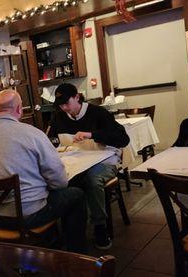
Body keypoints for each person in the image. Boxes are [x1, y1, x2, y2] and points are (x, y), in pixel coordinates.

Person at [0, 89, 88, 254]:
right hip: (27, 216)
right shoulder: (33, 134)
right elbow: (59, 182)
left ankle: (49, 244)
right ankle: (75, 255)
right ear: (19, 110)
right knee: (76, 195)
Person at [48, 83, 130, 250]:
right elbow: (50, 139)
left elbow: (123, 139)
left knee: (92, 180)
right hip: (75, 159)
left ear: (77, 97)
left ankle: (100, 226)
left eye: (67, 103)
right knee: (59, 179)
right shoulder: (58, 117)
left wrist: (92, 135)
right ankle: (68, 230)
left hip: (103, 159)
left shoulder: (98, 113)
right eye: (61, 105)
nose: (64, 108)